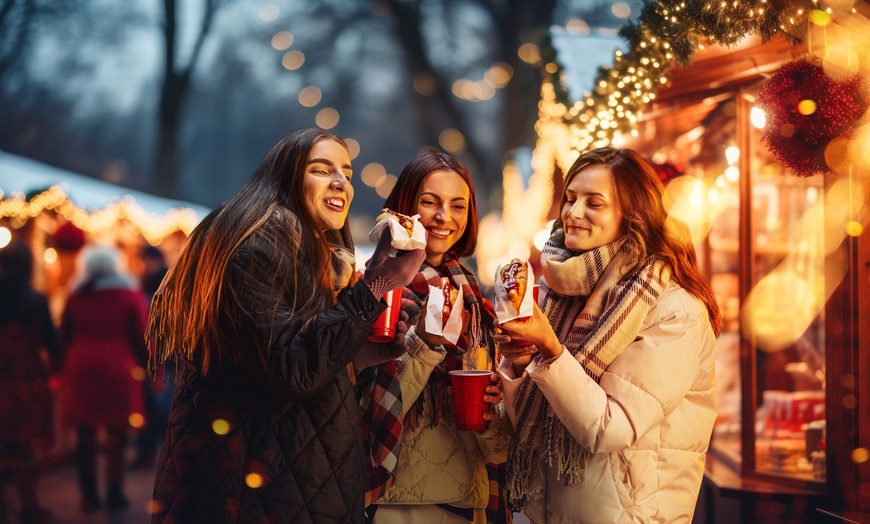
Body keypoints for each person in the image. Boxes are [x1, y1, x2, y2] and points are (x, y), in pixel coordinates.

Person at [145, 128, 425, 523]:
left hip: (287, 483)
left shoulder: (314, 258)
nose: (341, 181)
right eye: (321, 169)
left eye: (346, 171)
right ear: (286, 178)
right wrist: (377, 284)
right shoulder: (258, 247)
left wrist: (359, 355)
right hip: (254, 492)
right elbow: (294, 370)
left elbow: (294, 359)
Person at [496, 147, 722, 523]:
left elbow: (608, 429)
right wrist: (520, 362)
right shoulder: (560, 292)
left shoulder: (674, 310)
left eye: (593, 202)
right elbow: (536, 419)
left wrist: (550, 349)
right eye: (570, 199)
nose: (573, 213)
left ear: (631, 215)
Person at [359, 151, 512, 524]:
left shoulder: (475, 300)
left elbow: (495, 449)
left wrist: (496, 408)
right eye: (430, 202)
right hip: (407, 504)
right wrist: (424, 345)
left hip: (474, 498)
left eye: (457, 205)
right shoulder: (377, 289)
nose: (445, 217)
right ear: (404, 208)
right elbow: (366, 412)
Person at [58, 244, 149, 513]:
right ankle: (114, 491)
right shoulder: (128, 294)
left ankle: (88, 494)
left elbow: (64, 332)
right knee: (116, 433)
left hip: (81, 364)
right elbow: (140, 335)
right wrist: (148, 368)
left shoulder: (76, 294)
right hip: (117, 366)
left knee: (84, 433)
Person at [0, 239, 61, 524]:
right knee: (26, 445)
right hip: (26, 381)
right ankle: (28, 505)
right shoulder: (35, 300)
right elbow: (51, 343)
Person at [131, 245, 170, 470]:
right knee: (151, 403)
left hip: (162, 350)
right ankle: (148, 451)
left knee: (158, 402)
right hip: (152, 348)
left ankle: (154, 452)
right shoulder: (147, 282)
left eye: (146, 261)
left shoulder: (164, 282)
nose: (144, 266)